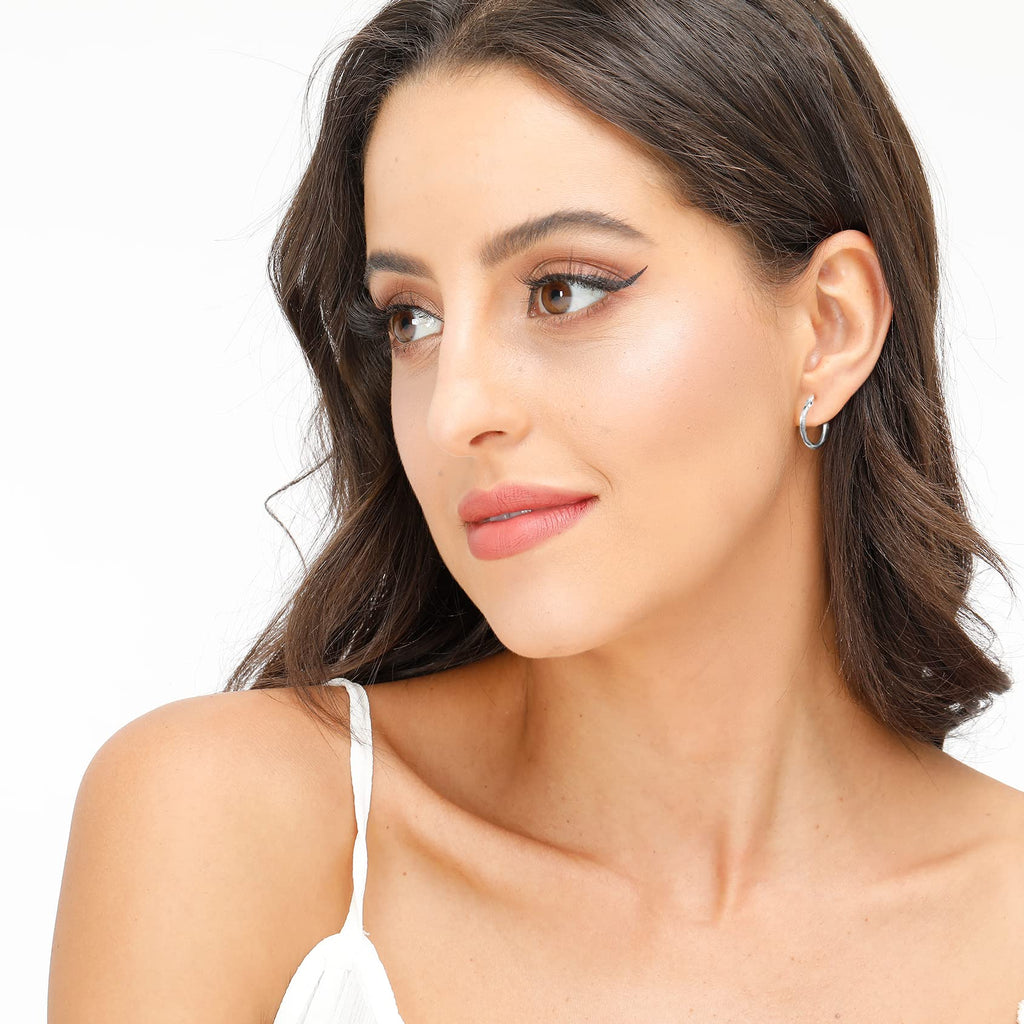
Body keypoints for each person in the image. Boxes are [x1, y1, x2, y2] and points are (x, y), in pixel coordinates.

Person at [49, 0, 1024, 1021]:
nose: (455, 411)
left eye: (562, 291)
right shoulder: (229, 822)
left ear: (828, 326)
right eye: (412, 319)